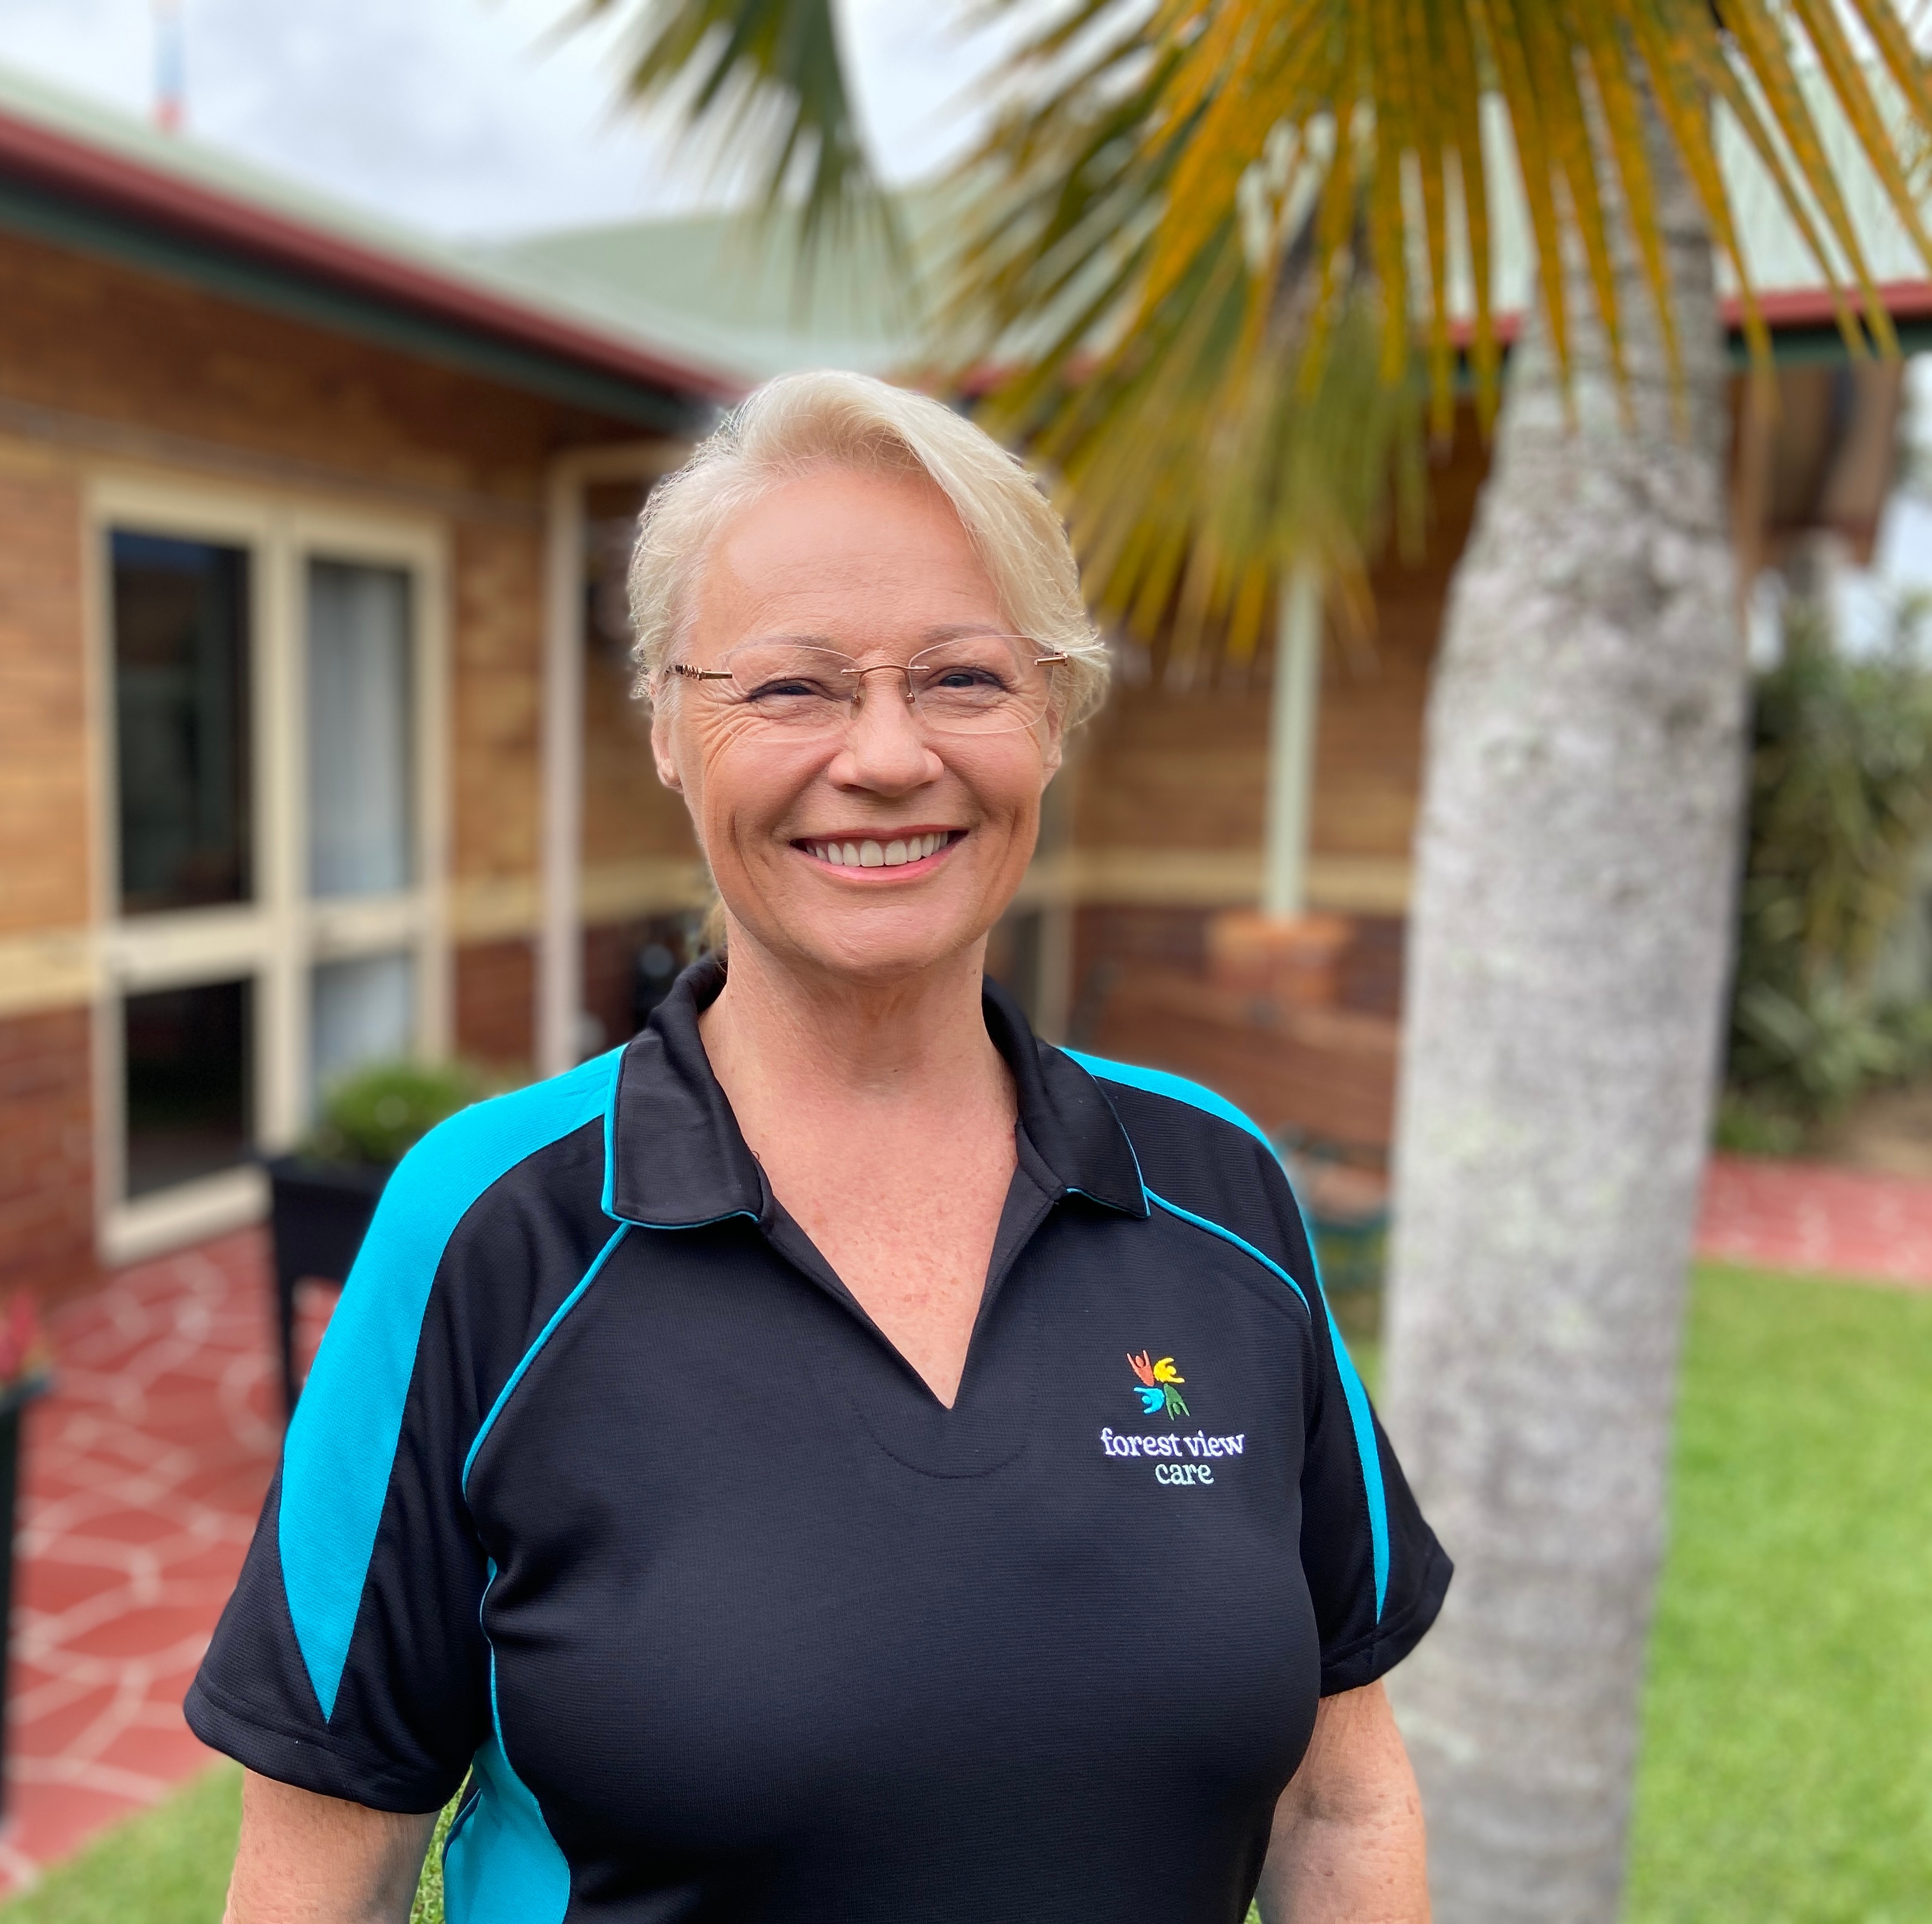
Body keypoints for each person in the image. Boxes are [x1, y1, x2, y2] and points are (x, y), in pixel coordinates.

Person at [186, 370, 1450, 1922]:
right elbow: (329, 1857)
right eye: (791, 688)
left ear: (1051, 716)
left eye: (964, 678)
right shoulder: (490, 1229)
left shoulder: (1221, 1191)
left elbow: (1342, 1792)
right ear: (668, 726)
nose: (886, 757)